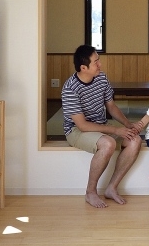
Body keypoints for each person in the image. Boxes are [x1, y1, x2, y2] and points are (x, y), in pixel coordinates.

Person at [61, 44, 142, 208]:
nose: (100, 64)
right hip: (76, 130)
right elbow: (82, 125)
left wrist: (128, 125)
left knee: (135, 140)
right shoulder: (70, 88)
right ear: (83, 68)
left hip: (101, 125)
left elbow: (111, 106)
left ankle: (111, 188)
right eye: (96, 62)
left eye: (99, 60)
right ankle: (90, 192)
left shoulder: (101, 78)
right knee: (108, 143)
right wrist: (116, 130)